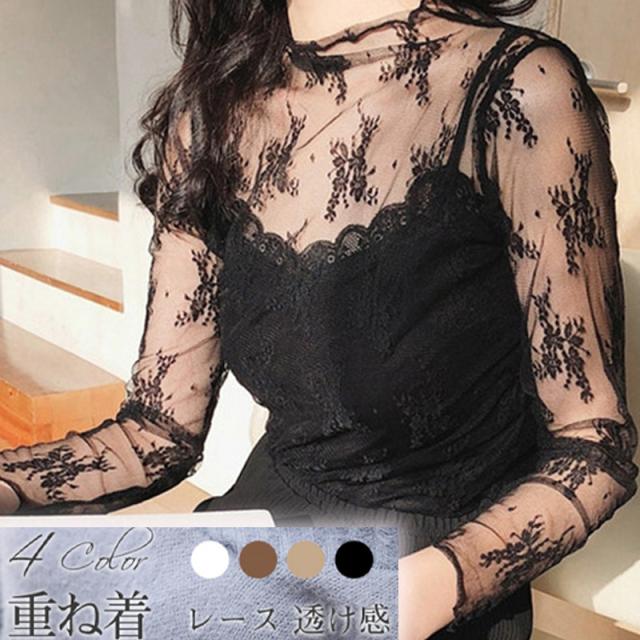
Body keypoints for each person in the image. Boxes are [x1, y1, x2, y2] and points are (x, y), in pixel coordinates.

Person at [0, 0, 637, 638]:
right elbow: (156, 432)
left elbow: (595, 442)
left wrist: (419, 591)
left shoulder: (516, 89)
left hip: (434, 576)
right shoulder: (212, 111)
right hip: (265, 548)